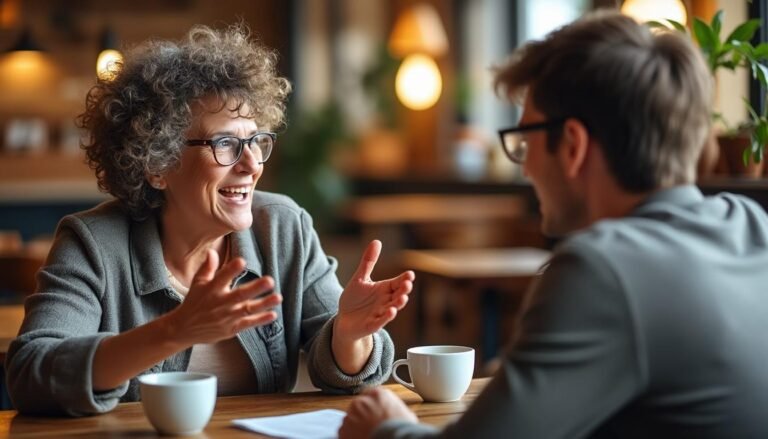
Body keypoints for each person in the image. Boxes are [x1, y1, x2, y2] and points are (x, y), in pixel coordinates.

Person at [339, 10, 768, 439]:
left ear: (574, 146)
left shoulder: (604, 268)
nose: (525, 169)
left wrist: (385, 429)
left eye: (525, 142)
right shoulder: (751, 225)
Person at [5, 24, 414, 416]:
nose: (252, 165)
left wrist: (348, 334)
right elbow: (30, 374)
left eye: (256, 141)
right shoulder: (92, 243)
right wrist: (175, 330)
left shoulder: (282, 227)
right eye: (225, 144)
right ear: (157, 165)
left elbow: (344, 368)